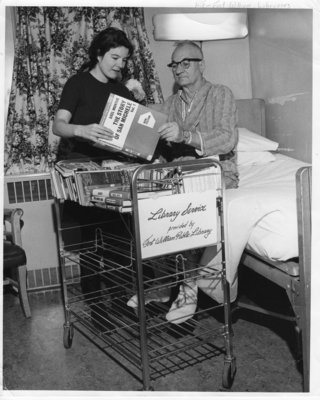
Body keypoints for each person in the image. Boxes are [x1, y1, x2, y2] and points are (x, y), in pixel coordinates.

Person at [127, 41, 239, 324]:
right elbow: (159, 133)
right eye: (174, 64)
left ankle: (188, 287)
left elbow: (227, 138)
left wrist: (185, 136)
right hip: (182, 172)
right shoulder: (173, 103)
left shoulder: (220, 94)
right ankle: (165, 281)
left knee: (180, 201)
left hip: (215, 171)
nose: (179, 69)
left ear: (202, 64)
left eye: (185, 63)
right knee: (143, 196)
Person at [52, 27, 135, 331]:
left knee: (117, 241)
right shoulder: (78, 84)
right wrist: (81, 129)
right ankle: (96, 307)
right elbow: (58, 125)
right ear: (98, 55)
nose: (119, 65)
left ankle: (118, 300)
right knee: (90, 242)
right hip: (83, 172)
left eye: (124, 60)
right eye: (115, 57)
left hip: (113, 170)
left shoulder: (123, 92)